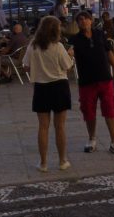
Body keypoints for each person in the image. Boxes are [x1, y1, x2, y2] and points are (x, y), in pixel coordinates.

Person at [68, 10, 114, 156]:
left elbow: (109, 52)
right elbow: (70, 55)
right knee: (88, 111)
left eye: (86, 19)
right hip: (87, 82)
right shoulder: (75, 39)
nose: (83, 21)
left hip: (105, 79)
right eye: (80, 20)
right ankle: (92, 139)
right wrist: (69, 54)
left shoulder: (100, 34)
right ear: (78, 23)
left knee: (109, 109)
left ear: (91, 20)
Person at [23, 15, 74, 173]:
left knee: (43, 127)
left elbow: (25, 66)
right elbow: (68, 66)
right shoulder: (58, 47)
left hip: (41, 88)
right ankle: (62, 160)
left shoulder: (33, 46)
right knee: (60, 126)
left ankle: (43, 162)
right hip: (59, 86)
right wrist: (70, 54)